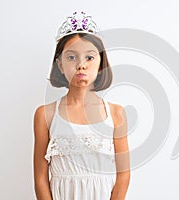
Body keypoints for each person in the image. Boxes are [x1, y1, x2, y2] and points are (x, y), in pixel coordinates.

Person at [33, 11, 130, 200]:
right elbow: (40, 178)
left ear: (101, 63)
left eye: (90, 57)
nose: (81, 65)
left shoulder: (116, 114)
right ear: (59, 65)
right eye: (71, 57)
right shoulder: (45, 114)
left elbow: (123, 175)